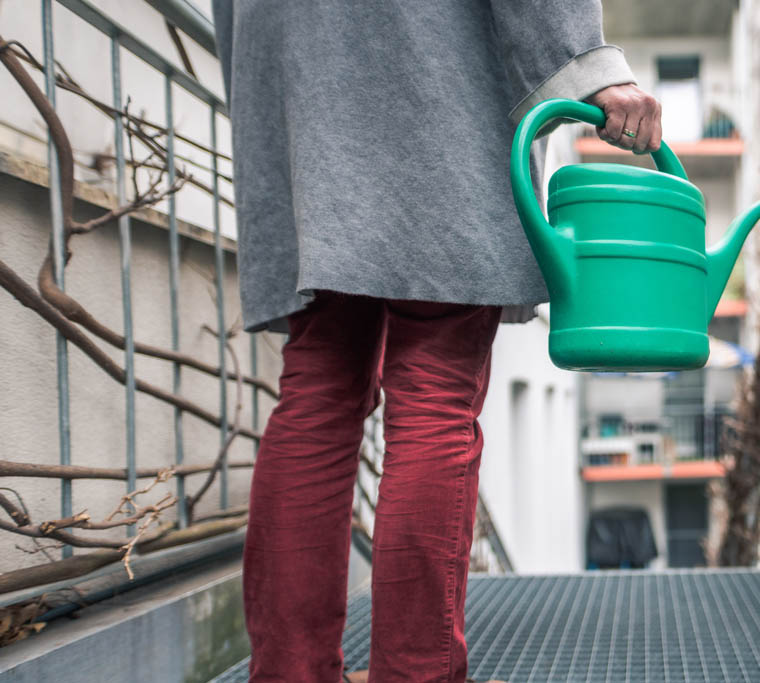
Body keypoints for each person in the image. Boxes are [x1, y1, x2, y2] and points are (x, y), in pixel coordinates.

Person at [211, 2, 662, 681]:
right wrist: (582, 62)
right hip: (428, 59)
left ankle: (289, 671)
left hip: (297, 68)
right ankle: (418, 672)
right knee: (436, 388)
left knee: (318, 386)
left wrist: (266, 87)